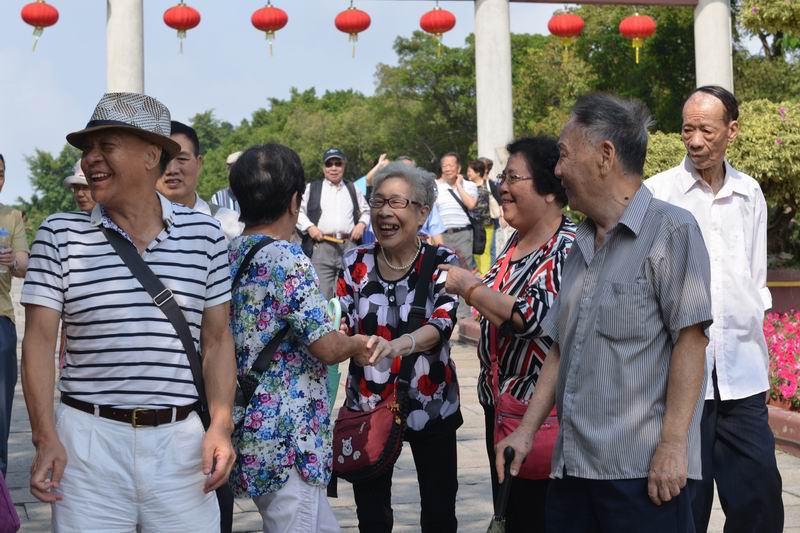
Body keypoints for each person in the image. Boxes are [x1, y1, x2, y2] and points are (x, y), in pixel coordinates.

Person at [497, 93, 714, 532]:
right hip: (573, 470)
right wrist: (527, 431)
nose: (557, 170)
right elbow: (560, 346)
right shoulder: (580, 242)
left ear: (605, 155)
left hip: (642, 476)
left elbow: (691, 343)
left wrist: (673, 446)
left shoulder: (671, 231)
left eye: (563, 156)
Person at [21, 92, 236, 531]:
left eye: (106, 146)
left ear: (151, 154)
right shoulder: (60, 235)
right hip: (88, 445)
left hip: (181, 447)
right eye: (87, 150)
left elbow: (217, 340)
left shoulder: (205, 234)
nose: (90, 161)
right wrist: (45, 436)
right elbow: (40, 342)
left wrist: (220, 426)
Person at [227, 143, 387, 533]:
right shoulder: (287, 258)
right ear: (295, 201)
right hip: (288, 436)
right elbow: (326, 346)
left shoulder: (231, 252)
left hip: (249, 426)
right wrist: (357, 343)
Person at [645, 85, 784, 533]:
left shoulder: (750, 193)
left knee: (760, 502)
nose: (696, 140)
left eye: (707, 129)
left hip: (742, 376)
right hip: (682, 385)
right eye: (688, 129)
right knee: (685, 507)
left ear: (732, 130)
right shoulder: (658, 194)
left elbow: (754, 277)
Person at [441, 137, 576, 533]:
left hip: (541, 417)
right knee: (511, 512)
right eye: (503, 176)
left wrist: (469, 286)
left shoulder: (566, 247)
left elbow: (531, 316)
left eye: (513, 177)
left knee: (536, 516)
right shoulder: (514, 242)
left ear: (550, 190)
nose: (502, 186)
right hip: (500, 408)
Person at [337, 162, 462, 533]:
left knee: (439, 513)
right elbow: (338, 321)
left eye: (397, 202)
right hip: (368, 405)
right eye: (377, 202)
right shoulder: (355, 262)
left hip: (431, 403)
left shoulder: (442, 262)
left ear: (423, 212)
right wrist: (348, 343)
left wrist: (396, 346)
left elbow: (441, 324)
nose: (384, 213)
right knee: (372, 518)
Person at [297, 148, 370, 300]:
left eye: (338, 163)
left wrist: (362, 224)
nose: (334, 168)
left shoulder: (352, 188)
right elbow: (297, 212)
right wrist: (310, 227)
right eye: (329, 164)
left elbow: (366, 211)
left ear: (344, 166)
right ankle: (324, 324)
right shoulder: (312, 188)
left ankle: (346, 324)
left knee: (351, 294)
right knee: (322, 295)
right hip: (322, 248)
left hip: (349, 246)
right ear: (323, 167)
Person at [156, 121, 243, 240]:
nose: (172, 170)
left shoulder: (230, 225)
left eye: (182, 159)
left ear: (199, 163)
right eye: (163, 159)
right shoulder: (132, 227)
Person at [0, 153, 29, 477]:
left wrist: (13, 262)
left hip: (1, 320)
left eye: (1, 173)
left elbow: (24, 264)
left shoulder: (10, 217)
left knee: (0, 415)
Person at [434, 152, 478, 318]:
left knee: (464, 271)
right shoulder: (435, 186)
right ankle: (446, 311)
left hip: (463, 233)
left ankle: (464, 315)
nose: (447, 169)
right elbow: (433, 213)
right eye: (444, 165)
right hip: (442, 235)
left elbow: (471, 204)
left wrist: (458, 185)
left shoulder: (469, 185)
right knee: (444, 272)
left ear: (458, 168)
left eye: (451, 165)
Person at [466, 159, 494, 274]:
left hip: (486, 224)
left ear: (478, 172)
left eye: (470, 171)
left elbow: (499, 200)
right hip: (473, 224)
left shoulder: (488, 184)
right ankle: (482, 272)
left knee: (485, 250)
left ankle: (485, 275)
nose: (468, 174)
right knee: (476, 251)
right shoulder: (467, 186)